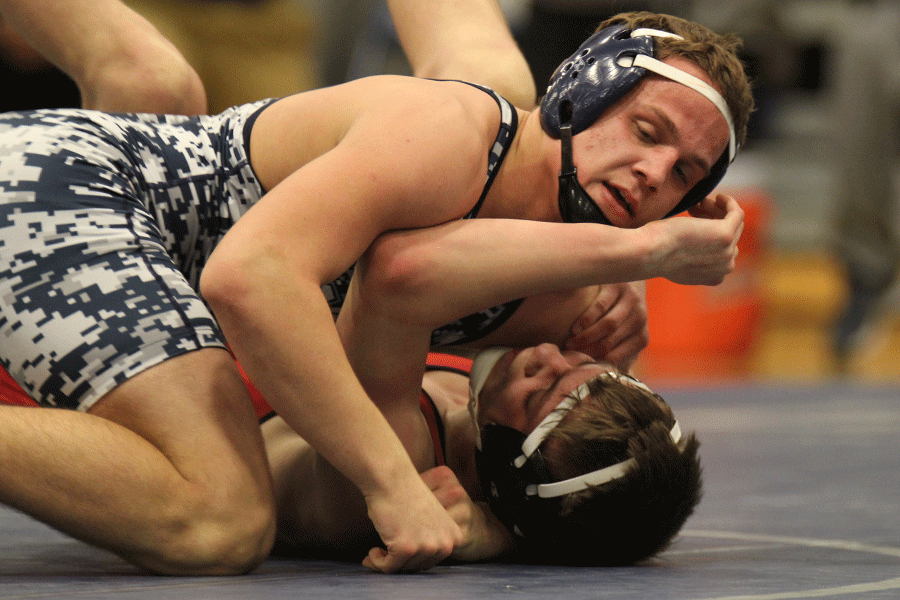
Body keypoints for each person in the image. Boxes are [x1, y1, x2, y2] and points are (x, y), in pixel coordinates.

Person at [0, 10, 752, 574]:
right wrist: (391, 486)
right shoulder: (456, 129)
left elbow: (594, 454)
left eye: (684, 173)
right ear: (584, 93)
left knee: (154, 83)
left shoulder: (565, 298)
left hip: (138, 245)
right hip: (72, 189)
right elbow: (251, 277)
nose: (656, 173)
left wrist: (490, 530)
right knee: (220, 520)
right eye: (647, 132)